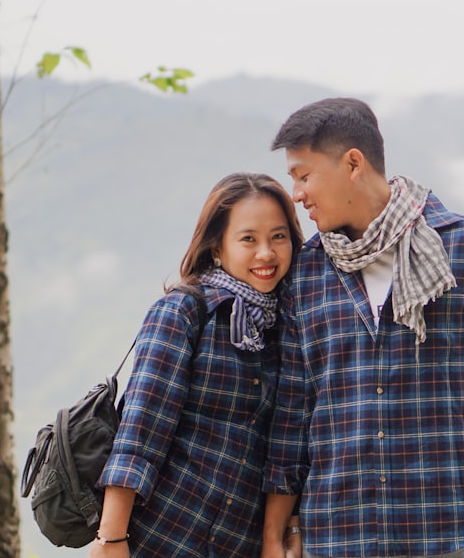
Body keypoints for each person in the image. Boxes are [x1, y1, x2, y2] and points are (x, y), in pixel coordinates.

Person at [261, 98, 464, 558]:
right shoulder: (307, 273)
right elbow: (293, 412)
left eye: (304, 175)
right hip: (334, 535)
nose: (296, 193)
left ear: (353, 163)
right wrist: (279, 534)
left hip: (442, 532)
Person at [89, 172, 304, 558]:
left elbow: (285, 451)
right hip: (158, 537)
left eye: (278, 236)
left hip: (237, 545)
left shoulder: (288, 330)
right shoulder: (184, 312)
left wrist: (282, 534)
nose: (266, 254)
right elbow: (141, 431)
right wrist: (111, 540)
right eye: (248, 239)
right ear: (218, 247)